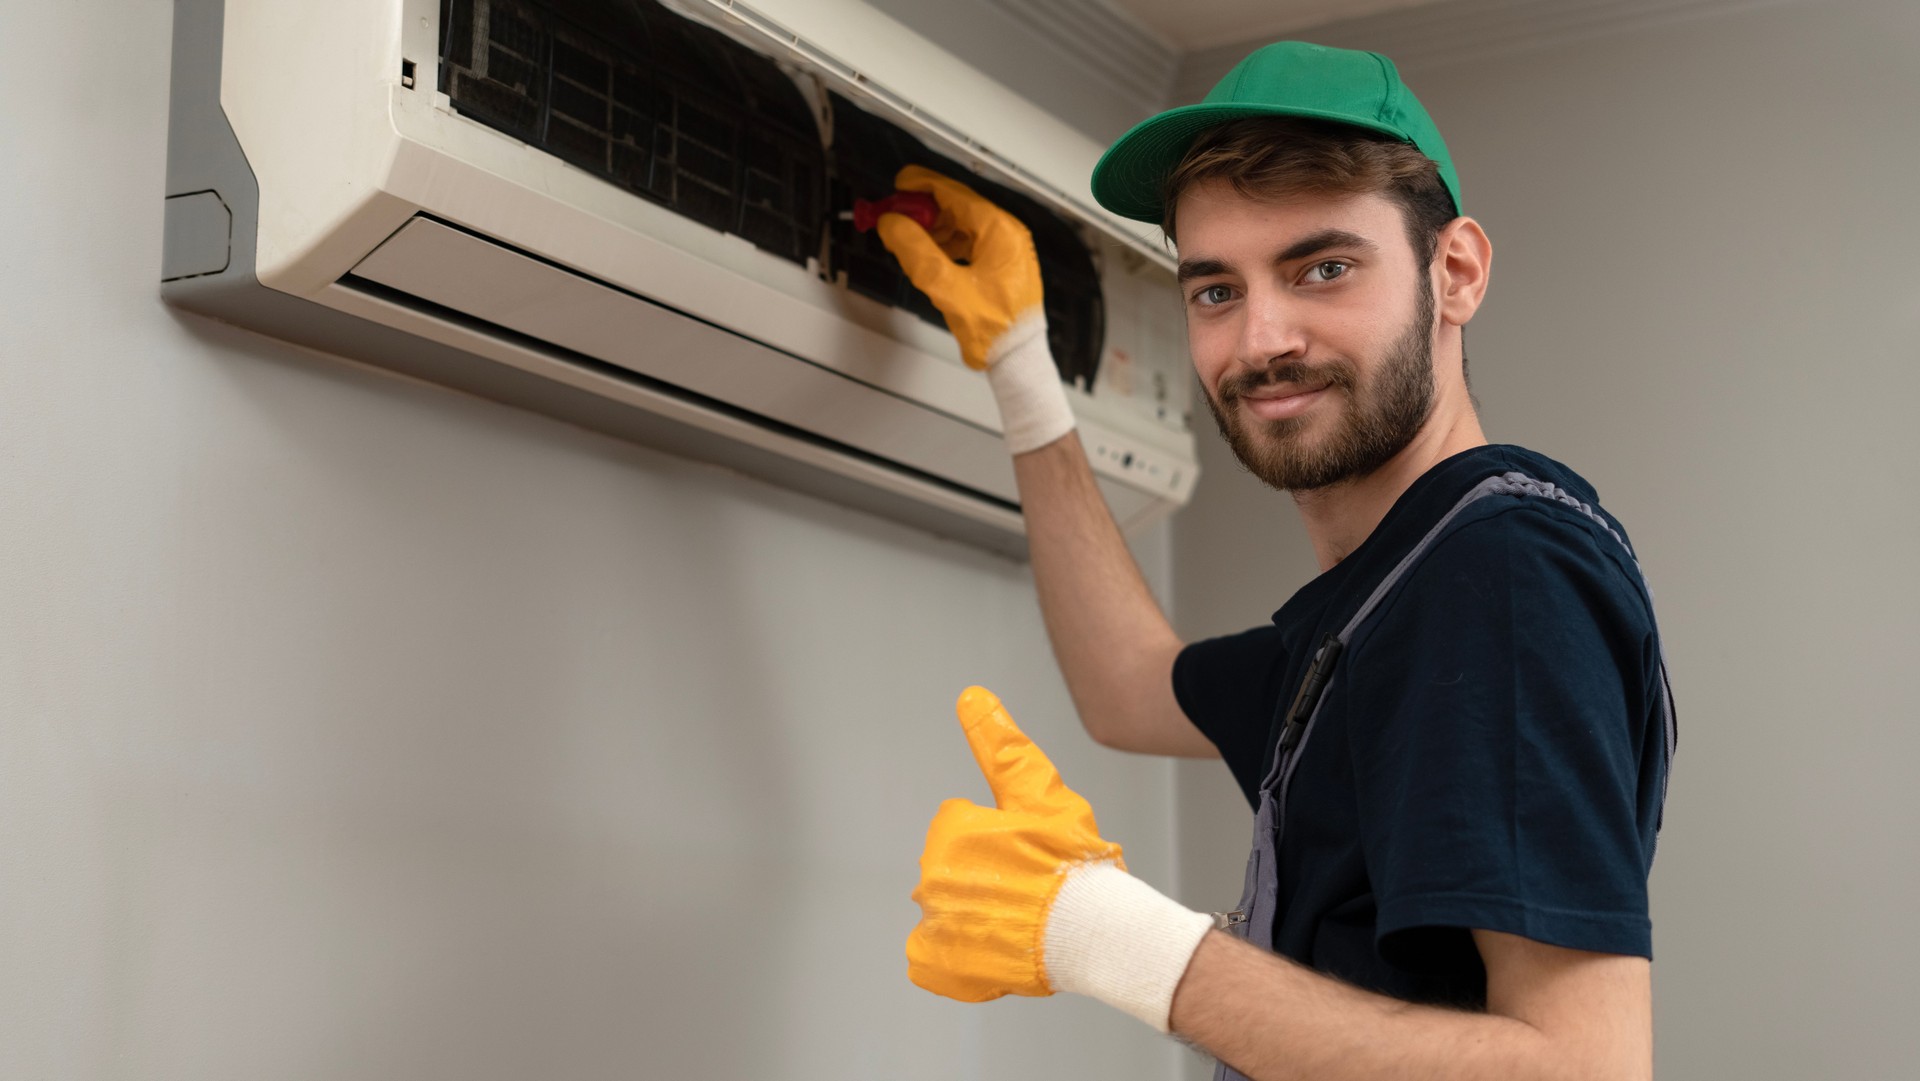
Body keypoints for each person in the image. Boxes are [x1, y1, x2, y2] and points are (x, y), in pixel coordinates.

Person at [876, 41, 1676, 1081]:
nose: (1262, 338)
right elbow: (1128, 686)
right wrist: (1022, 362)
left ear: (1457, 273)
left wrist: (1103, 936)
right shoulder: (1383, 601)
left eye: (1323, 269)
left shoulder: (1497, 574)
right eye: (1215, 291)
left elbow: (1587, 1070)